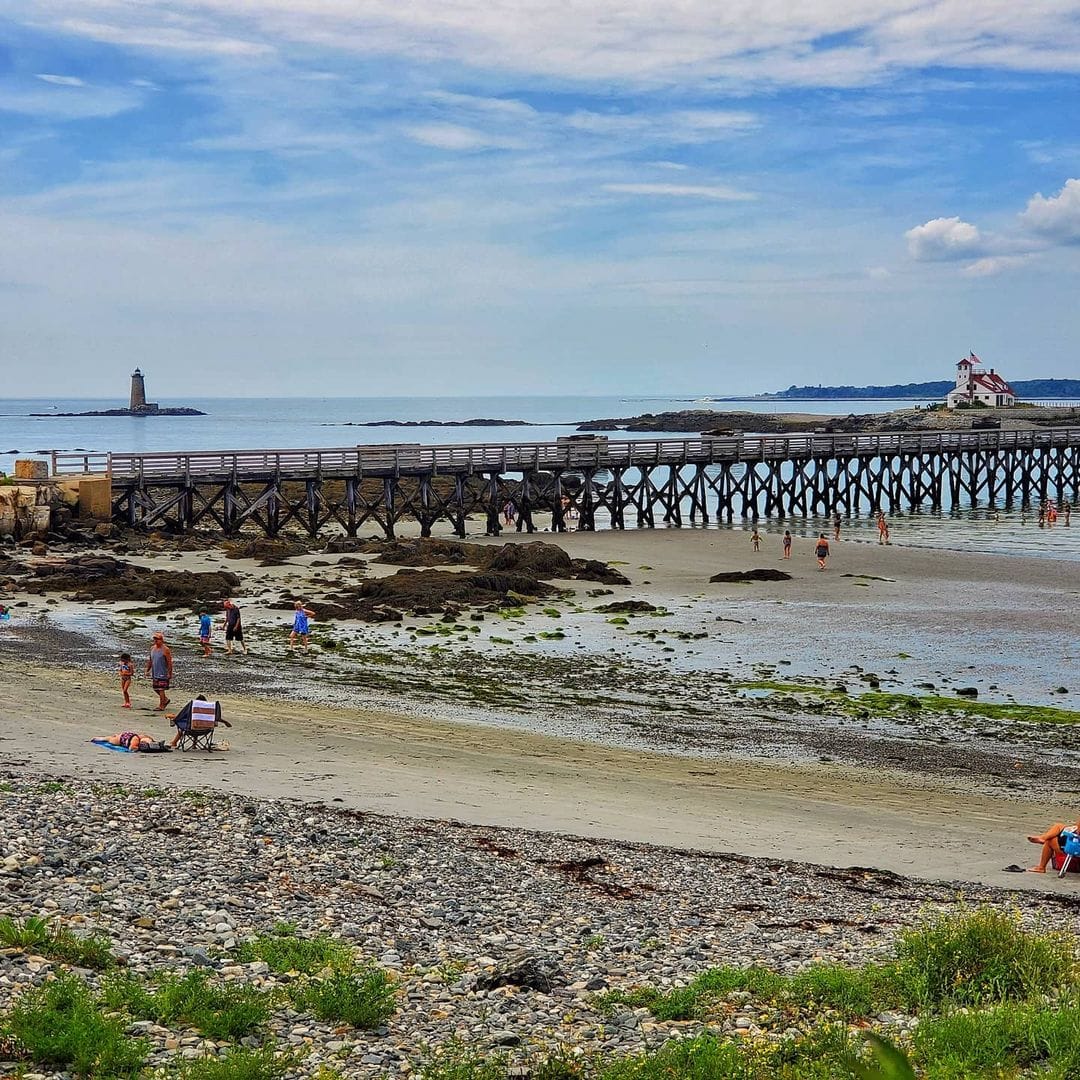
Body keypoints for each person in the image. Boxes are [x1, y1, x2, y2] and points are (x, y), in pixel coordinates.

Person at [145, 632, 173, 711]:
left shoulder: (165, 650)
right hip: (155, 671)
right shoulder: (152, 648)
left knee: (161, 689)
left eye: (157, 639)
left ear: (161, 640)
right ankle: (165, 700)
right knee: (155, 688)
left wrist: (169, 673)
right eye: (154, 639)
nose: (155, 641)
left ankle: (161, 705)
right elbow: (150, 660)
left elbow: (169, 662)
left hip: (163, 672)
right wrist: (147, 670)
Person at [91, 731, 162, 752]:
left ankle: (116, 735)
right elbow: (132, 748)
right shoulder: (136, 741)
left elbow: (148, 739)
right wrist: (137, 749)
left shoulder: (144, 737)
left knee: (111, 738)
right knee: (110, 740)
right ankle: (100, 738)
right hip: (123, 739)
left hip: (129, 736)